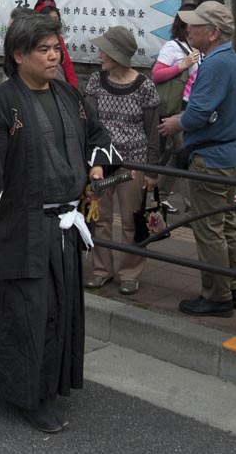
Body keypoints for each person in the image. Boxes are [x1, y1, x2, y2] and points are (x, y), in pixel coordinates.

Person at [0, 13, 120, 433]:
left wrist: (96, 167)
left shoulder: (69, 95)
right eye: (43, 49)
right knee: (27, 311)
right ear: (18, 54)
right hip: (20, 225)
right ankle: (28, 395)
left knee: (59, 310)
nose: (54, 55)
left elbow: (98, 138)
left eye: (55, 47)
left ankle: (50, 382)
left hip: (65, 225)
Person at [158, 1, 236, 317]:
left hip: (210, 156)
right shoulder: (230, 60)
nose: (189, 29)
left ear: (213, 32)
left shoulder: (215, 64)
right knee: (225, 224)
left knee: (208, 228)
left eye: (195, 25)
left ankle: (217, 296)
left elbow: (197, 113)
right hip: (230, 153)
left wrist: (175, 123)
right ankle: (234, 287)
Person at [84, 27, 161, 296]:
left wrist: (152, 170)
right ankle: (101, 270)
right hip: (103, 163)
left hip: (133, 163)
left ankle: (130, 273)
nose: (100, 54)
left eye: (105, 50)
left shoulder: (145, 86)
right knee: (101, 218)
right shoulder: (95, 81)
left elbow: (153, 130)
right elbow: (90, 125)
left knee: (131, 221)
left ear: (118, 53)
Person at [152, 3, 201, 213]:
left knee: (178, 154)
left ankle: (160, 196)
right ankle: (193, 208)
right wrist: (182, 65)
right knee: (185, 153)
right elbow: (156, 74)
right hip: (177, 107)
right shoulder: (173, 47)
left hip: (193, 106)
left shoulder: (200, 47)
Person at [34, 0, 78, 88]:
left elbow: (67, 65)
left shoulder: (59, 39)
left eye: (56, 19)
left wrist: (74, 90)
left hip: (59, 86)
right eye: (49, 19)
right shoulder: (31, 39)